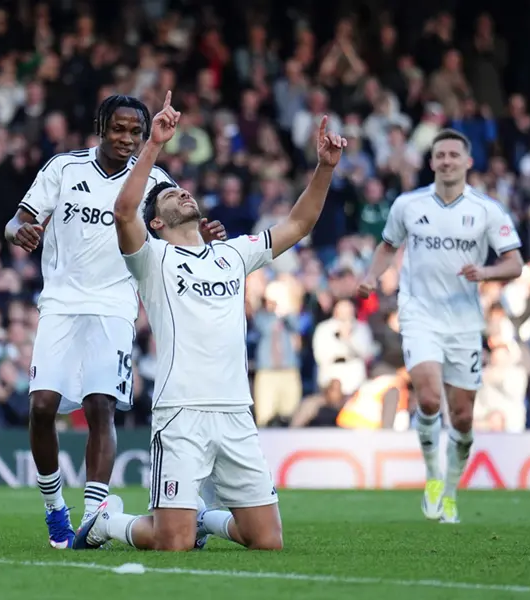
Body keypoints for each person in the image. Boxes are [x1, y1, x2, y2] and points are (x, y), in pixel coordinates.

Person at [74, 92, 345, 551]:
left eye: (182, 190)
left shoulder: (233, 253)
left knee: (266, 542)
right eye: (168, 197)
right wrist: (153, 145)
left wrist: (324, 168)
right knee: (171, 543)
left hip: (237, 412)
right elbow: (124, 212)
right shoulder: (152, 260)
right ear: (156, 224)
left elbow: (299, 224)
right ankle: (106, 521)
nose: (181, 192)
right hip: (181, 412)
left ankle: (206, 518)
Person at [4, 95, 227, 549]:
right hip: (61, 302)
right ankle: (54, 509)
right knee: (42, 405)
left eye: (134, 132)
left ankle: (94, 515)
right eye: (118, 129)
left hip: (115, 304)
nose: (126, 139)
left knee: (100, 405)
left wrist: (203, 234)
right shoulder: (64, 168)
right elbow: (18, 219)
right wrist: (19, 231)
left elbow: (178, 224)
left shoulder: (153, 179)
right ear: (100, 126)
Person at [357, 129, 524, 523]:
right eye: (440, 155)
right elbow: (387, 246)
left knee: (463, 418)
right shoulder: (408, 205)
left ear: (468, 162)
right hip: (419, 315)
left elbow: (514, 263)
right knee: (429, 399)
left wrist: (484, 272)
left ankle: (450, 489)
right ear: (431, 163)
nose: (447, 161)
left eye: (454, 155)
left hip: (465, 323)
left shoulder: (486, 210)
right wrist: (372, 276)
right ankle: (433, 477)